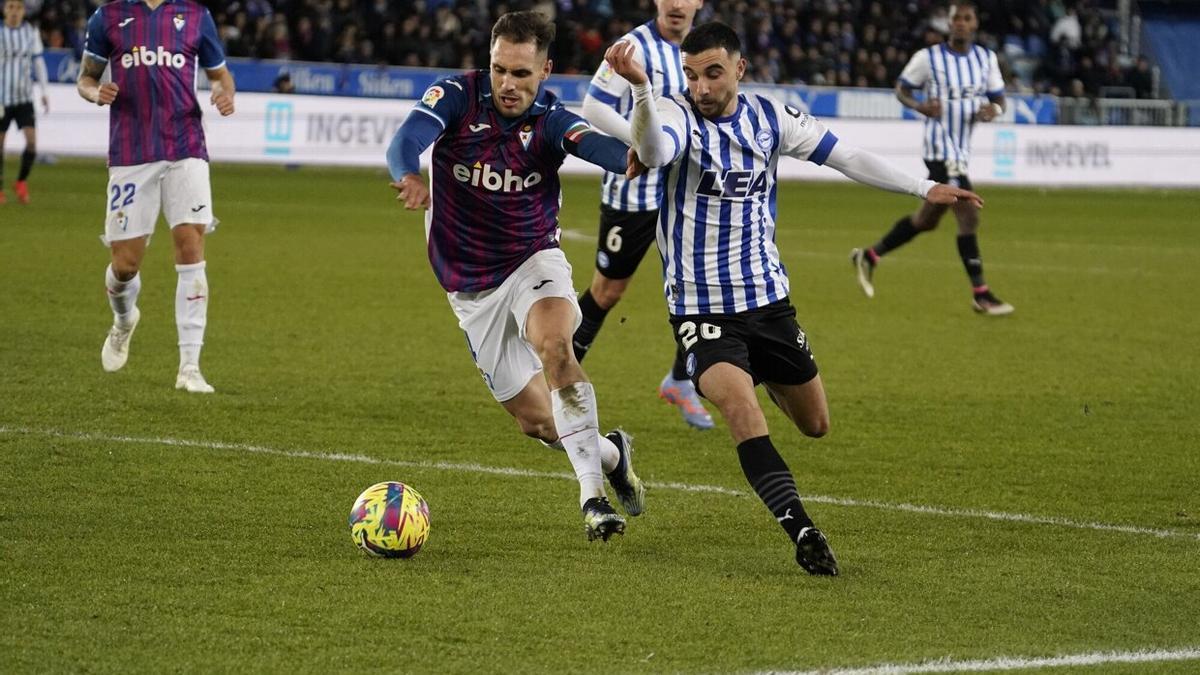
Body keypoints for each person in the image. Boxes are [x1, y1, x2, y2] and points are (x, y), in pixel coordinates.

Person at [606, 22, 981, 573]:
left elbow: (845, 156)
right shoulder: (673, 111)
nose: (702, 87)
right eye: (691, 75)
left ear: (739, 68)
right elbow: (656, 151)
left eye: (713, 73)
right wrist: (641, 88)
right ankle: (801, 529)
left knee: (816, 424)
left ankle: (754, 371)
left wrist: (924, 189)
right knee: (740, 407)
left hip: (768, 300)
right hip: (701, 307)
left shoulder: (770, 117)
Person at [386, 11, 646, 542]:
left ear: (545, 70)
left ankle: (592, 499)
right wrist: (407, 175)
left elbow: (600, 148)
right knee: (540, 423)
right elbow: (405, 140)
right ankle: (613, 454)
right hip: (469, 289)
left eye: (522, 74)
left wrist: (634, 156)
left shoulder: (552, 120)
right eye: (500, 69)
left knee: (555, 346)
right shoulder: (457, 96)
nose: (508, 83)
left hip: (532, 261)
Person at [78, 0, 236, 392]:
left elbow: (221, 76)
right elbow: (85, 78)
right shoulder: (109, 16)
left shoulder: (195, 16)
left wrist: (222, 93)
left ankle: (190, 367)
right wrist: (96, 93)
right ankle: (124, 319)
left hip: (187, 147)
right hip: (132, 153)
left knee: (190, 244)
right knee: (125, 264)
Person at [575, 0, 716, 430]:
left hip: (687, 192)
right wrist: (636, 144)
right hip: (633, 192)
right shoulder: (632, 46)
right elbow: (594, 107)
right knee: (607, 292)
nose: (676, 4)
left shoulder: (706, 51)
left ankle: (680, 381)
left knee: (703, 286)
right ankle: (557, 371)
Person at [849, 1, 1013, 316]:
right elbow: (901, 89)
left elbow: (999, 98)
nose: (962, 24)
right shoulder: (929, 58)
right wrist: (920, 106)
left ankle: (869, 255)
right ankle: (981, 293)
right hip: (940, 151)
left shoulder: (985, 59)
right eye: (957, 19)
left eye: (967, 18)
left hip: (961, 152)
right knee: (969, 213)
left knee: (926, 220)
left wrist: (995, 110)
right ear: (948, 24)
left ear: (975, 23)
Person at [0, 0, 49, 205]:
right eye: (10, 7)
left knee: (31, 142)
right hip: (1, 99)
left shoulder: (30, 32)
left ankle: (21, 181)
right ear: (4, 10)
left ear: (23, 11)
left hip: (24, 98)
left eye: (18, 8)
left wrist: (44, 92)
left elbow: (38, 63)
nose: (14, 12)